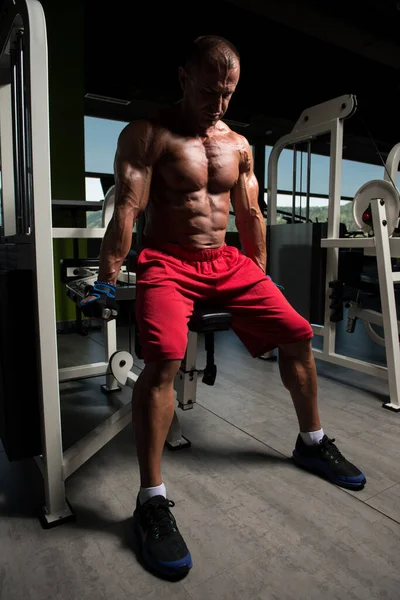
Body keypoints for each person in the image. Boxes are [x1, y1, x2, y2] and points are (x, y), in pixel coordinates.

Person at [80, 35, 366, 579]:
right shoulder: (147, 134)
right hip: (167, 260)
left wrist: (258, 272)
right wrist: (107, 277)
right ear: (184, 76)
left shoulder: (237, 143)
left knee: (297, 333)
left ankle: (312, 442)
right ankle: (151, 499)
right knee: (163, 358)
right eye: (211, 91)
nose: (219, 104)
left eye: (229, 94)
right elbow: (128, 210)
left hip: (227, 261)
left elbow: (250, 211)